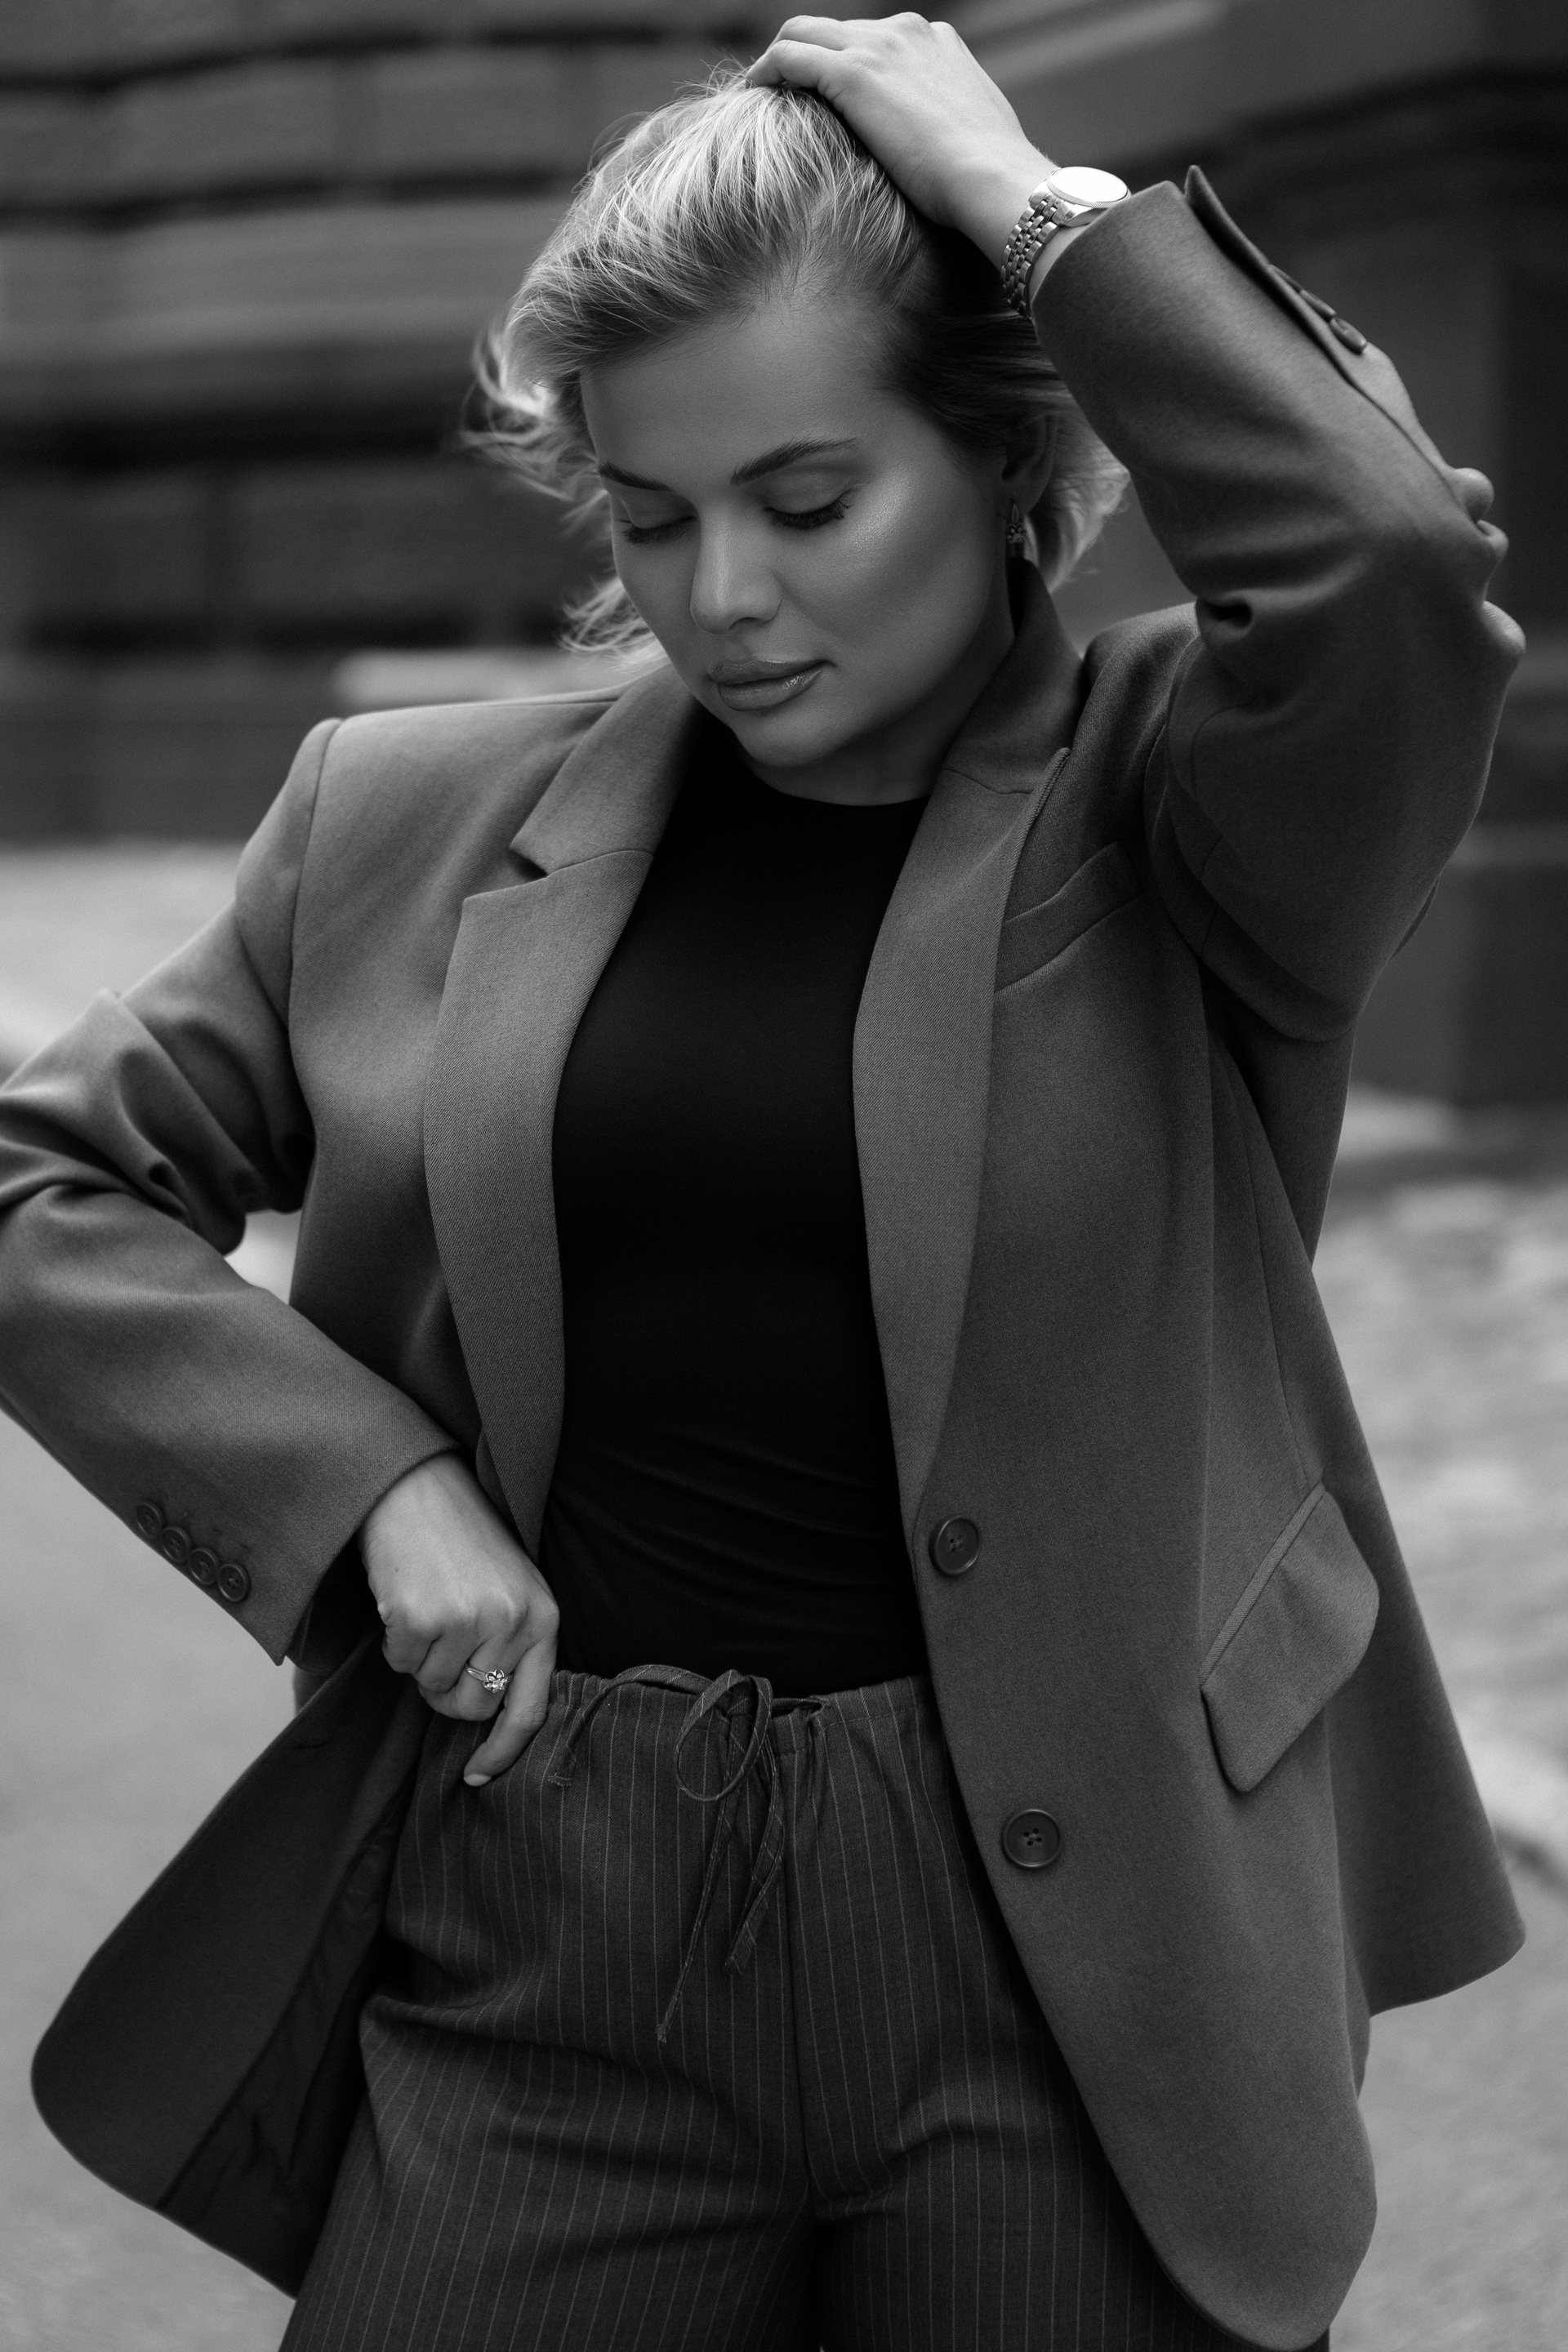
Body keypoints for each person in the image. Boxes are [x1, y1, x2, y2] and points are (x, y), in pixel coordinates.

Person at [0, 16, 1526, 2351]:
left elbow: (1391, 558)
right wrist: (364, 1485)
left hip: (1072, 1940)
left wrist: (1028, 200)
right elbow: (45, 1183)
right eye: (651, 513)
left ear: (1002, 456)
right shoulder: (401, 820)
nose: (721, 595)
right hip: (554, 1905)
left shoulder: (1194, 816)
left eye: (809, 503)